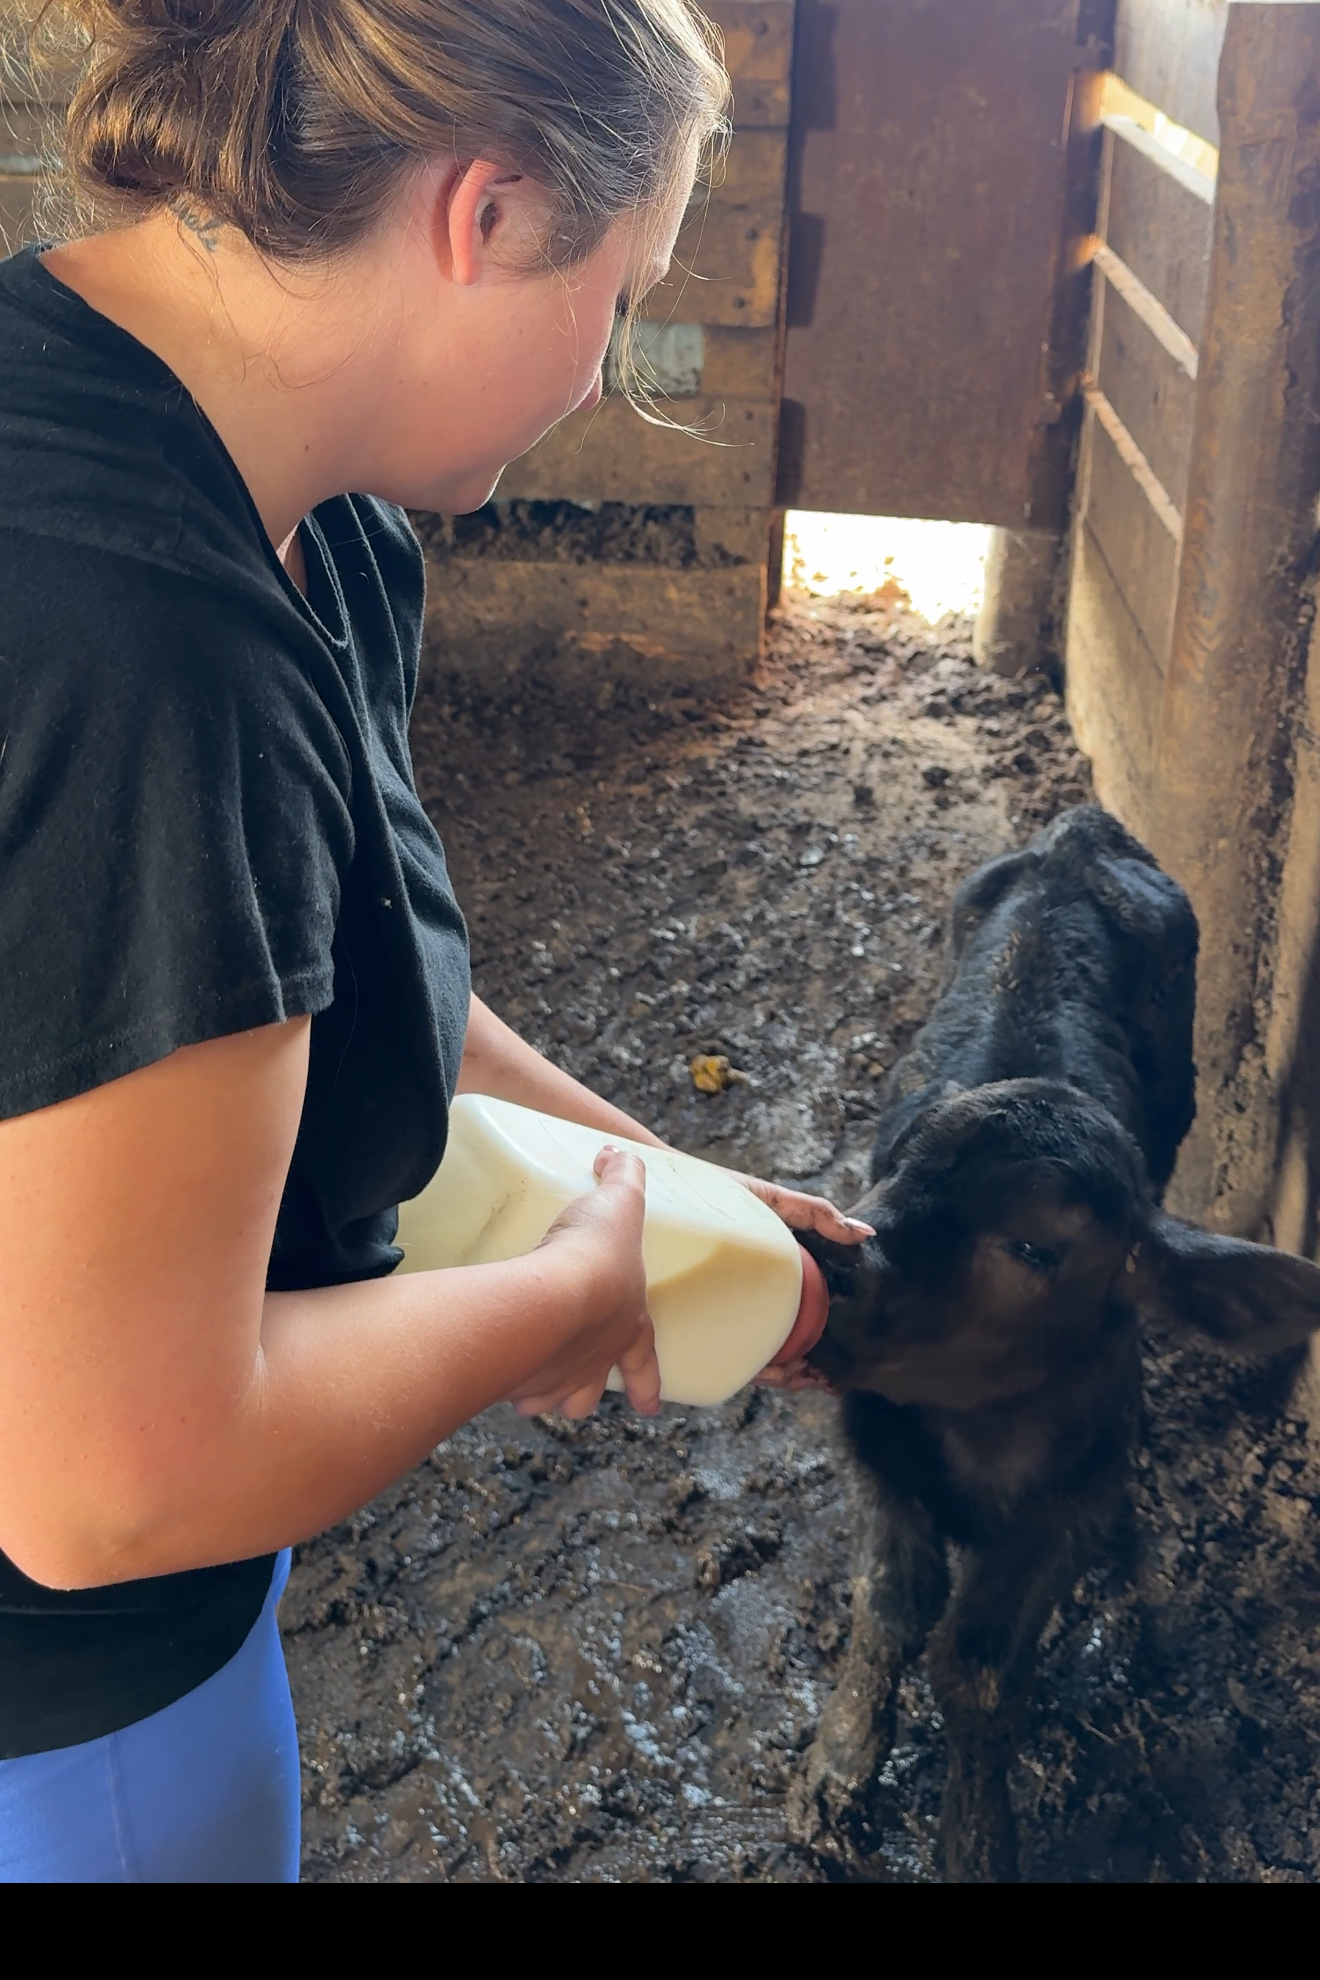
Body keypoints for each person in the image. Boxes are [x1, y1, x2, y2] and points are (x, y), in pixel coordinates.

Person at [0, 0, 871, 1883]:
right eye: (624, 292)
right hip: (68, 1711)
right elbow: (118, 1483)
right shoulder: (151, 658)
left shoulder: (297, 506)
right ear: (484, 215)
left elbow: (335, 957)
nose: (603, 368)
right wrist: (563, 1297)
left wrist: (654, 1174)